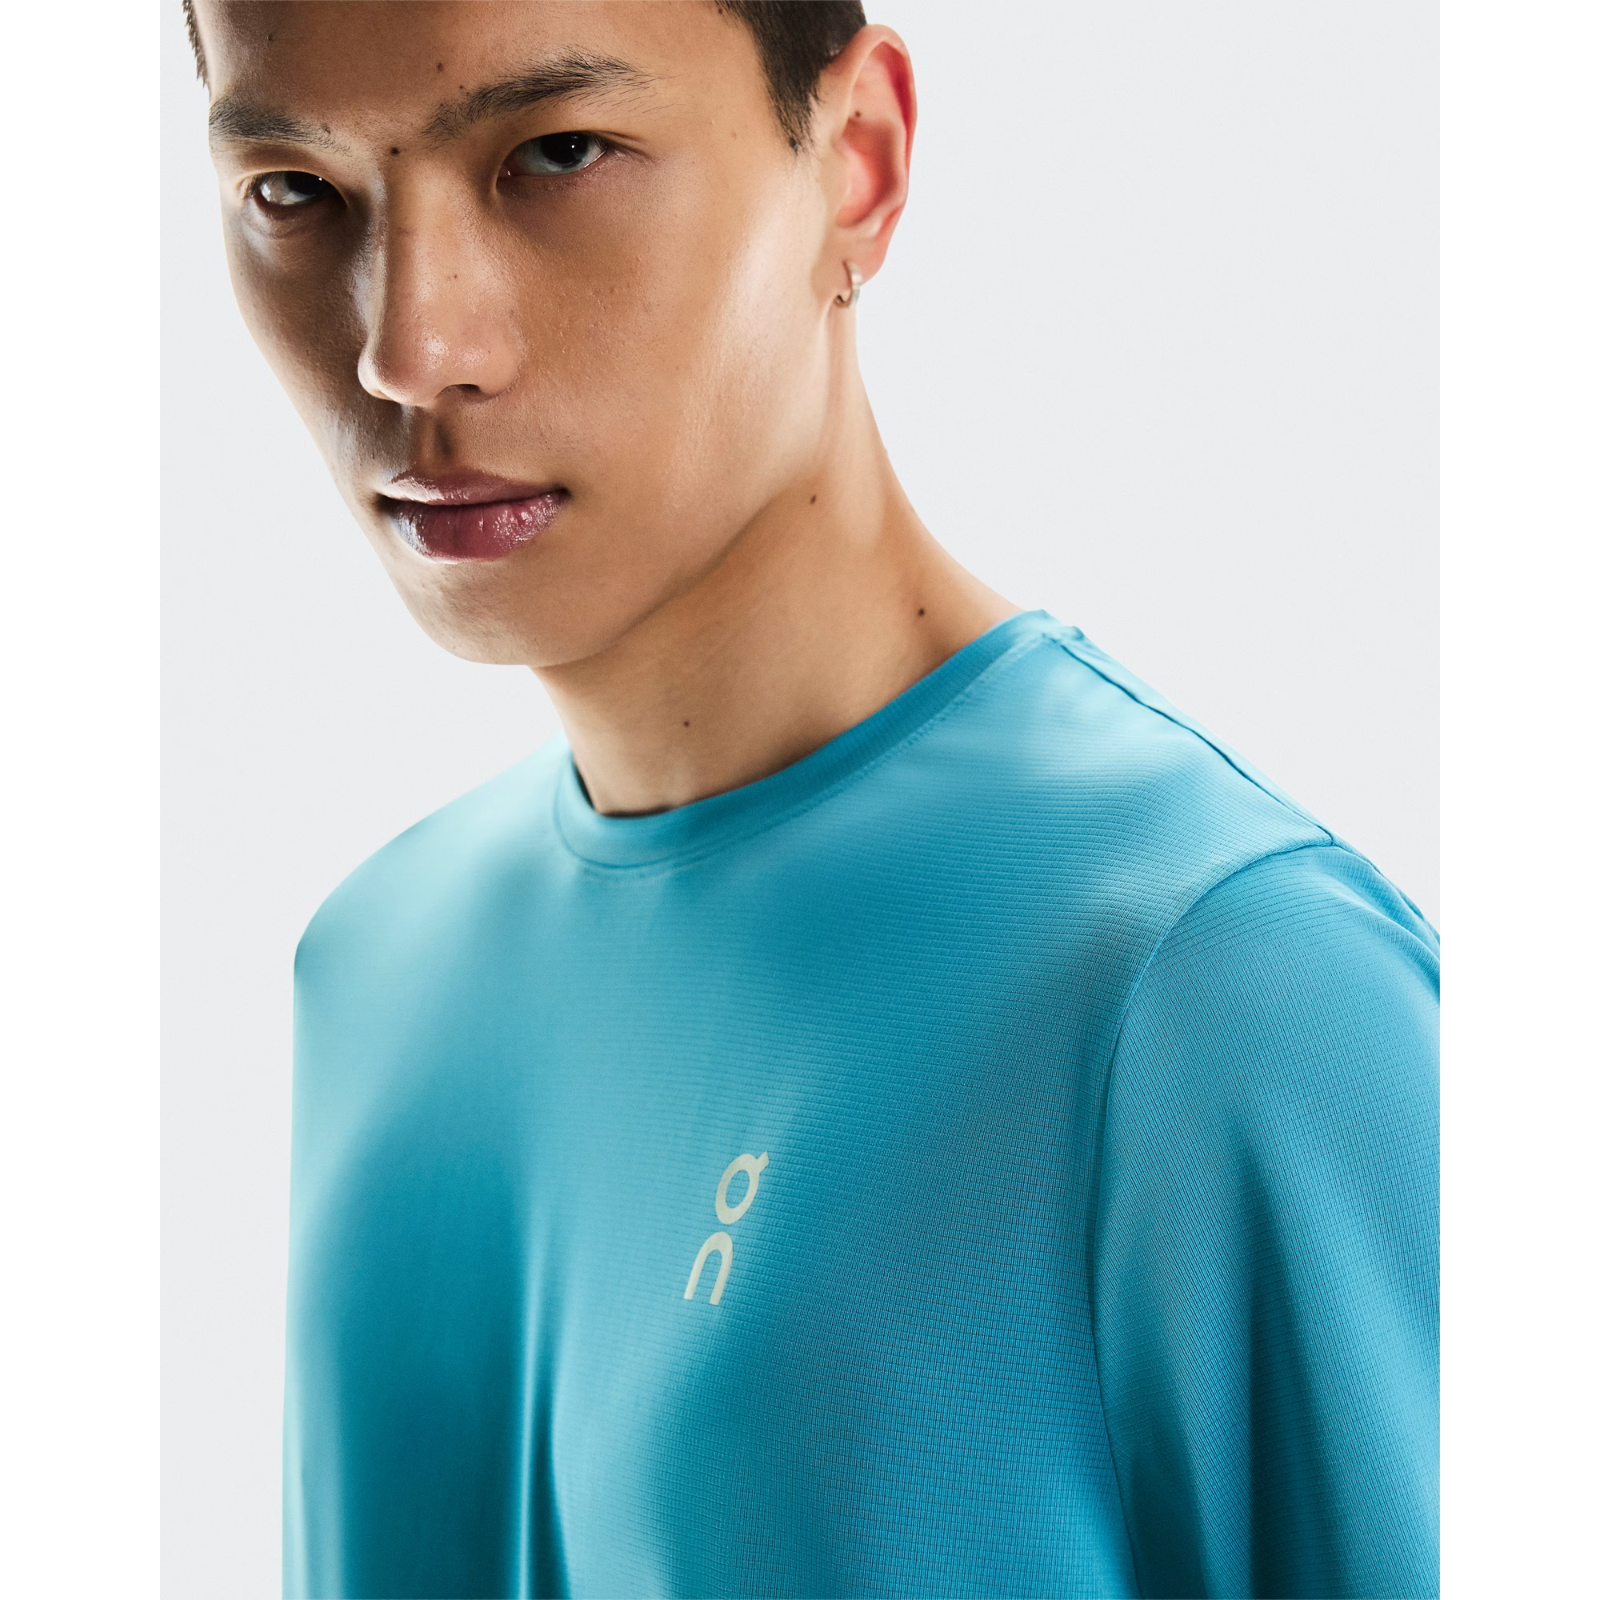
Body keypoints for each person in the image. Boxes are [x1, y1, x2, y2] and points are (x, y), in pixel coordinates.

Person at [187, 3, 1439, 1596]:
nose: (411, 347)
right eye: (295, 190)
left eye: (558, 155)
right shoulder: (375, 962)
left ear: (858, 160)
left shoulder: (1219, 986)